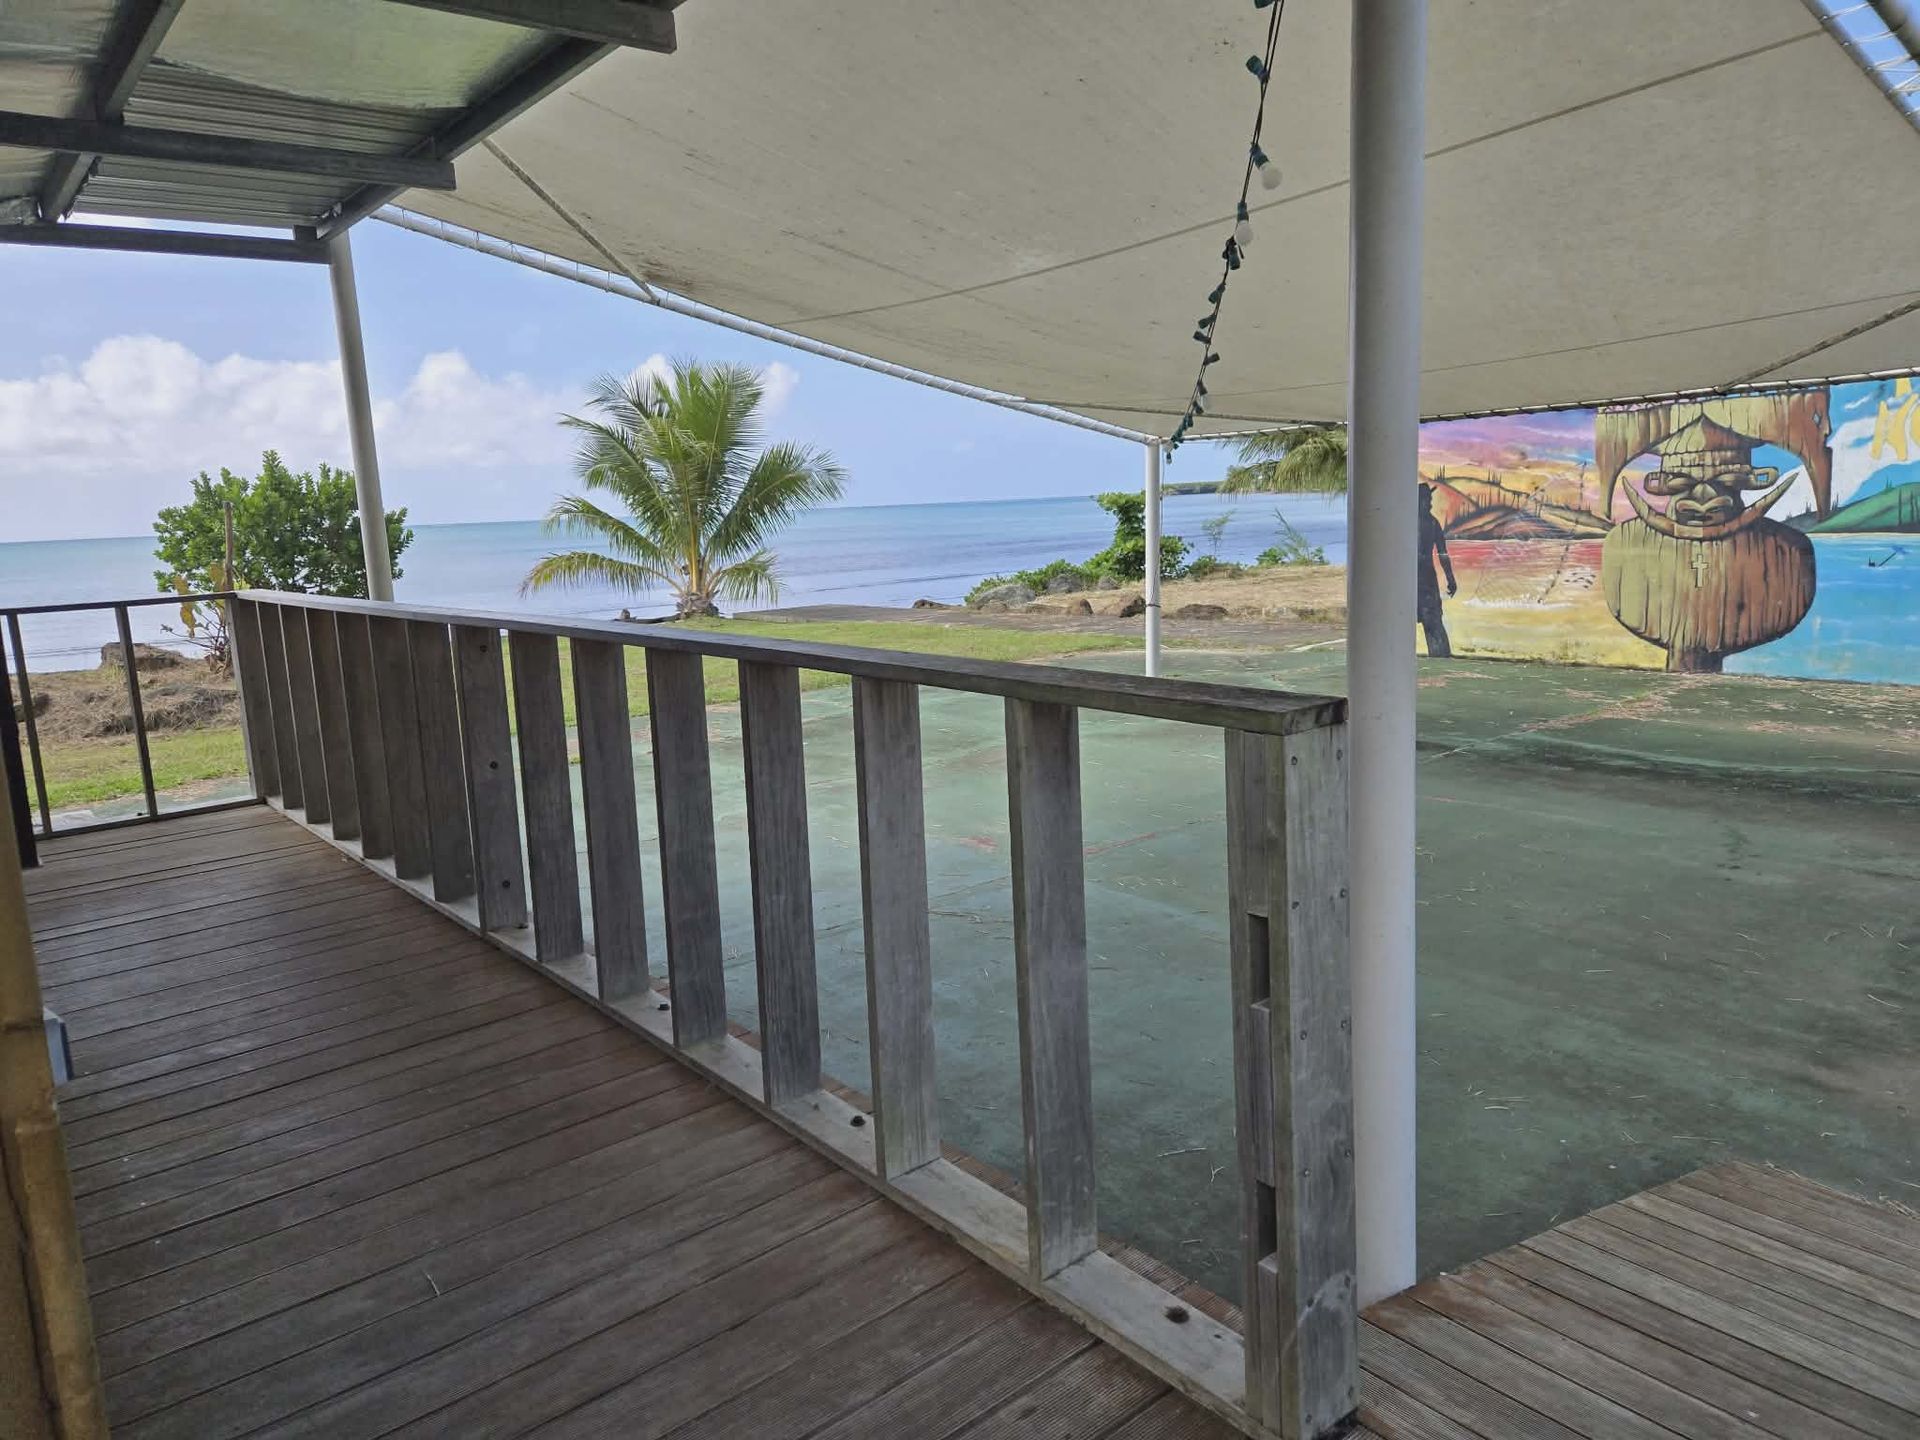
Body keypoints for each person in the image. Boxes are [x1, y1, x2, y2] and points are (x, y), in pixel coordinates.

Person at [1417, 482, 1457, 658]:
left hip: (1425, 581)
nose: (1430, 504)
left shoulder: (1432, 523)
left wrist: (1451, 579)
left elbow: (1443, 554)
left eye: (1429, 499)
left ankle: (1441, 659)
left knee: (1433, 624)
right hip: (1413, 580)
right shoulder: (1424, 523)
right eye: (1426, 500)